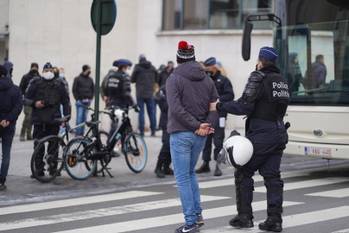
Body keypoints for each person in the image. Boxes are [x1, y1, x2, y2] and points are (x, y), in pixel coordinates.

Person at [215, 47, 289, 232]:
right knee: (272, 176)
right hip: (279, 133)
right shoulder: (282, 81)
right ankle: (275, 220)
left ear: (260, 61)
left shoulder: (258, 76)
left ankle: (244, 217)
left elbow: (244, 106)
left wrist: (220, 105)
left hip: (262, 134)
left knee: (243, 172)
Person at [167, 40, 218, 233]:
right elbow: (214, 106)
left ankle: (190, 222)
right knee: (190, 173)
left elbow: (176, 108)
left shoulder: (174, 78)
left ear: (179, 57)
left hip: (182, 133)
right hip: (200, 135)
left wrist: (197, 125)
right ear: (194, 57)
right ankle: (197, 215)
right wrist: (206, 126)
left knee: (182, 178)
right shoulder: (208, 79)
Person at [25, 62, 71, 177]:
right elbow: (25, 99)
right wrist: (35, 103)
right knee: (38, 146)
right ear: (42, 72)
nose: (48, 73)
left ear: (53, 71)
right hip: (39, 120)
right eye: (46, 71)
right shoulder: (35, 83)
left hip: (54, 120)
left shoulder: (59, 84)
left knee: (53, 146)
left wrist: (66, 116)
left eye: (50, 70)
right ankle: (38, 170)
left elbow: (66, 101)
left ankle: (53, 169)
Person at [196, 57, 234, 177]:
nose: (206, 69)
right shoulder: (204, 80)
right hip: (207, 116)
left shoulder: (223, 80)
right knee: (206, 141)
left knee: (218, 141)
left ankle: (218, 165)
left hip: (219, 115)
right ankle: (205, 163)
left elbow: (230, 95)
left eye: (208, 67)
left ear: (213, 67)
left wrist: (217, 101)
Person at [0, 65, 22, 190]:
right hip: (9, 125)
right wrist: (7, 120)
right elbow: (18, 107)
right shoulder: (15, 89)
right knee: (6, 154)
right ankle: (2, 181)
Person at [131, 55, 158, 136]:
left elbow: (132, 80)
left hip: (140, 93)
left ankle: (142, 132)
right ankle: (153, 131)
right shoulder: (152, 68)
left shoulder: (137, 68)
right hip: (150, 93)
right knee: (152, 113)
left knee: (141, 113)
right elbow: (157, 79)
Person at [154, 84, 173, 178]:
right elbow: (162, 104)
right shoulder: (165, 88)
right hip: (167, 121)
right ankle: (158, 167)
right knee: (167, 144)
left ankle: (166, 166)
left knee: (174, 145)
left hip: (179, 121)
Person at [19, 63, 40, 141]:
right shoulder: (26, 77)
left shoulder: (39, 77)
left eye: (36, 67)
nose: (34, 69)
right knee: (28, 117)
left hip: (35, 102)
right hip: (27, 101)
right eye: (33, 67)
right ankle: (22, 133)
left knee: (32, 118)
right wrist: (22, 97)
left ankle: (29, 134)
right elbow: (21, 88)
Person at [72, 65, 94, 136]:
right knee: (79, 119)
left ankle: (81, 134)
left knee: (84, 119)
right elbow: (74, 90)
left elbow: (93, 89)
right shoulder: (77, 79)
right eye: (88, 70)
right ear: (85, 70)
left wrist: (90, 98)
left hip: (87, 102)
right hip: (80, 102)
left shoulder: (90, 79)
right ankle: (78, 134)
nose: (90, 71)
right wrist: (77, 99)